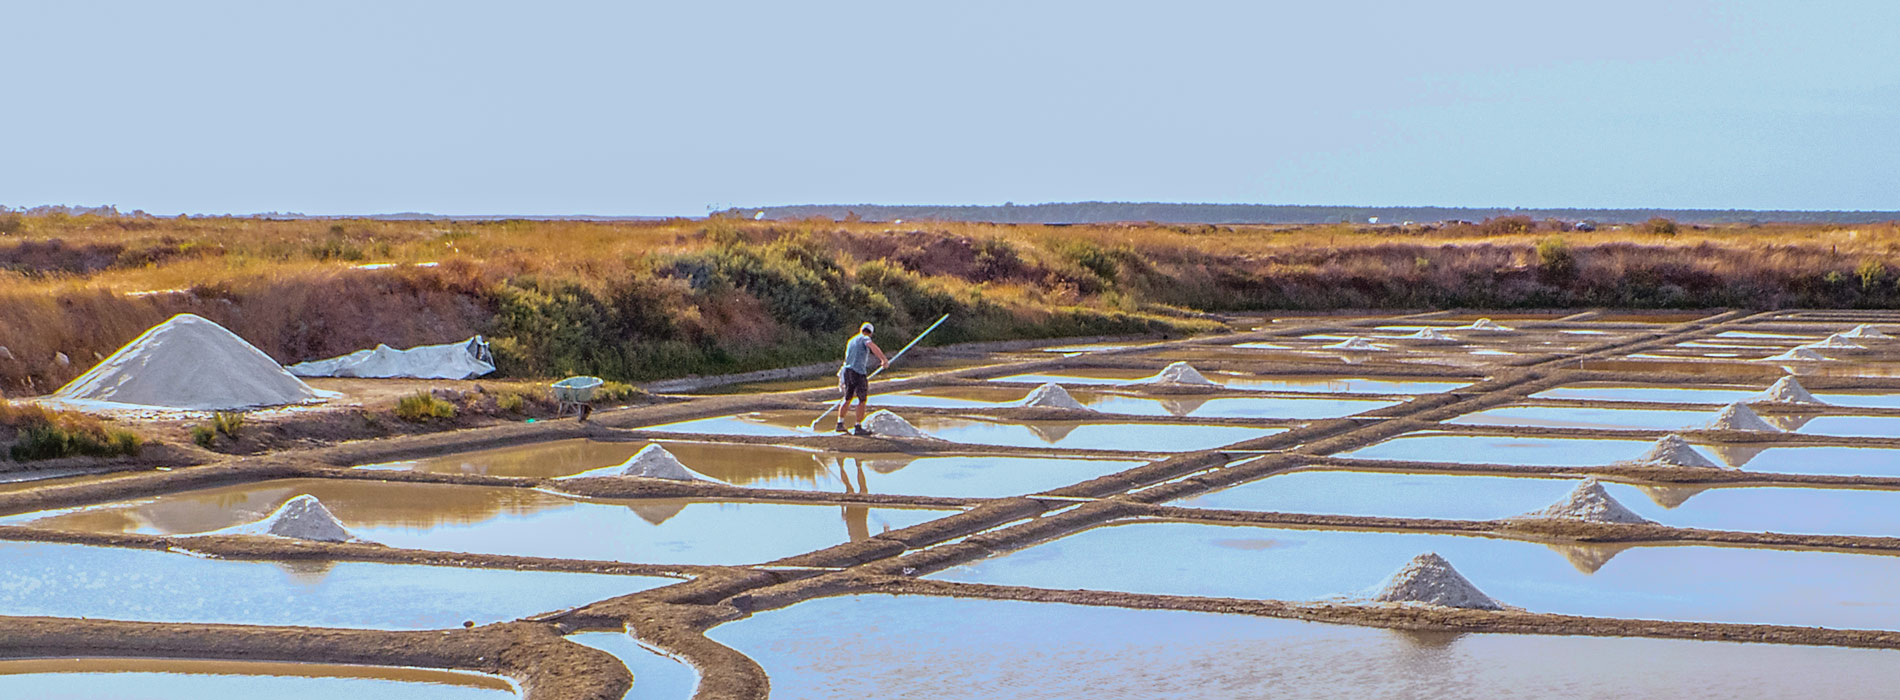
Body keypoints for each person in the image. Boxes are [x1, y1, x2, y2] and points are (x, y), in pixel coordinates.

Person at [835, 322, 889, 435]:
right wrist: (883, 359)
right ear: (870, 333)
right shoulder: (865, 339)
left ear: (861, 329)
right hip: (858, 373)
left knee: (847, 398)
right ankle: (858, 426)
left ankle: (840, 423)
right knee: (862, 400)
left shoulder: (851, 340)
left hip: (848, 371)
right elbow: (872, 346)